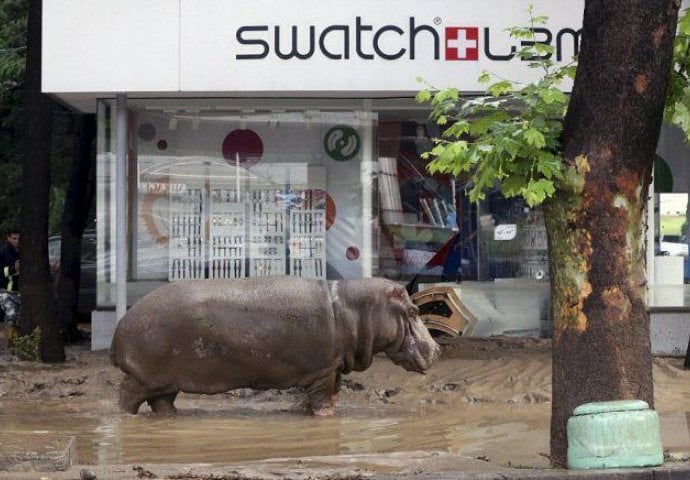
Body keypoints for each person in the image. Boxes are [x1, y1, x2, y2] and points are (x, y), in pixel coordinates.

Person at [0, 229, 20, 325]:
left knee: (20, 319)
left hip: (19, 291)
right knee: (11, 316)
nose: (17, 241)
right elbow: (2, 271)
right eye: (14, 238)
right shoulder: (3, 252)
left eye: (18, 238)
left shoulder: (22, 251)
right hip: (5, 291)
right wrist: (14, 269)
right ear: (8, 238)